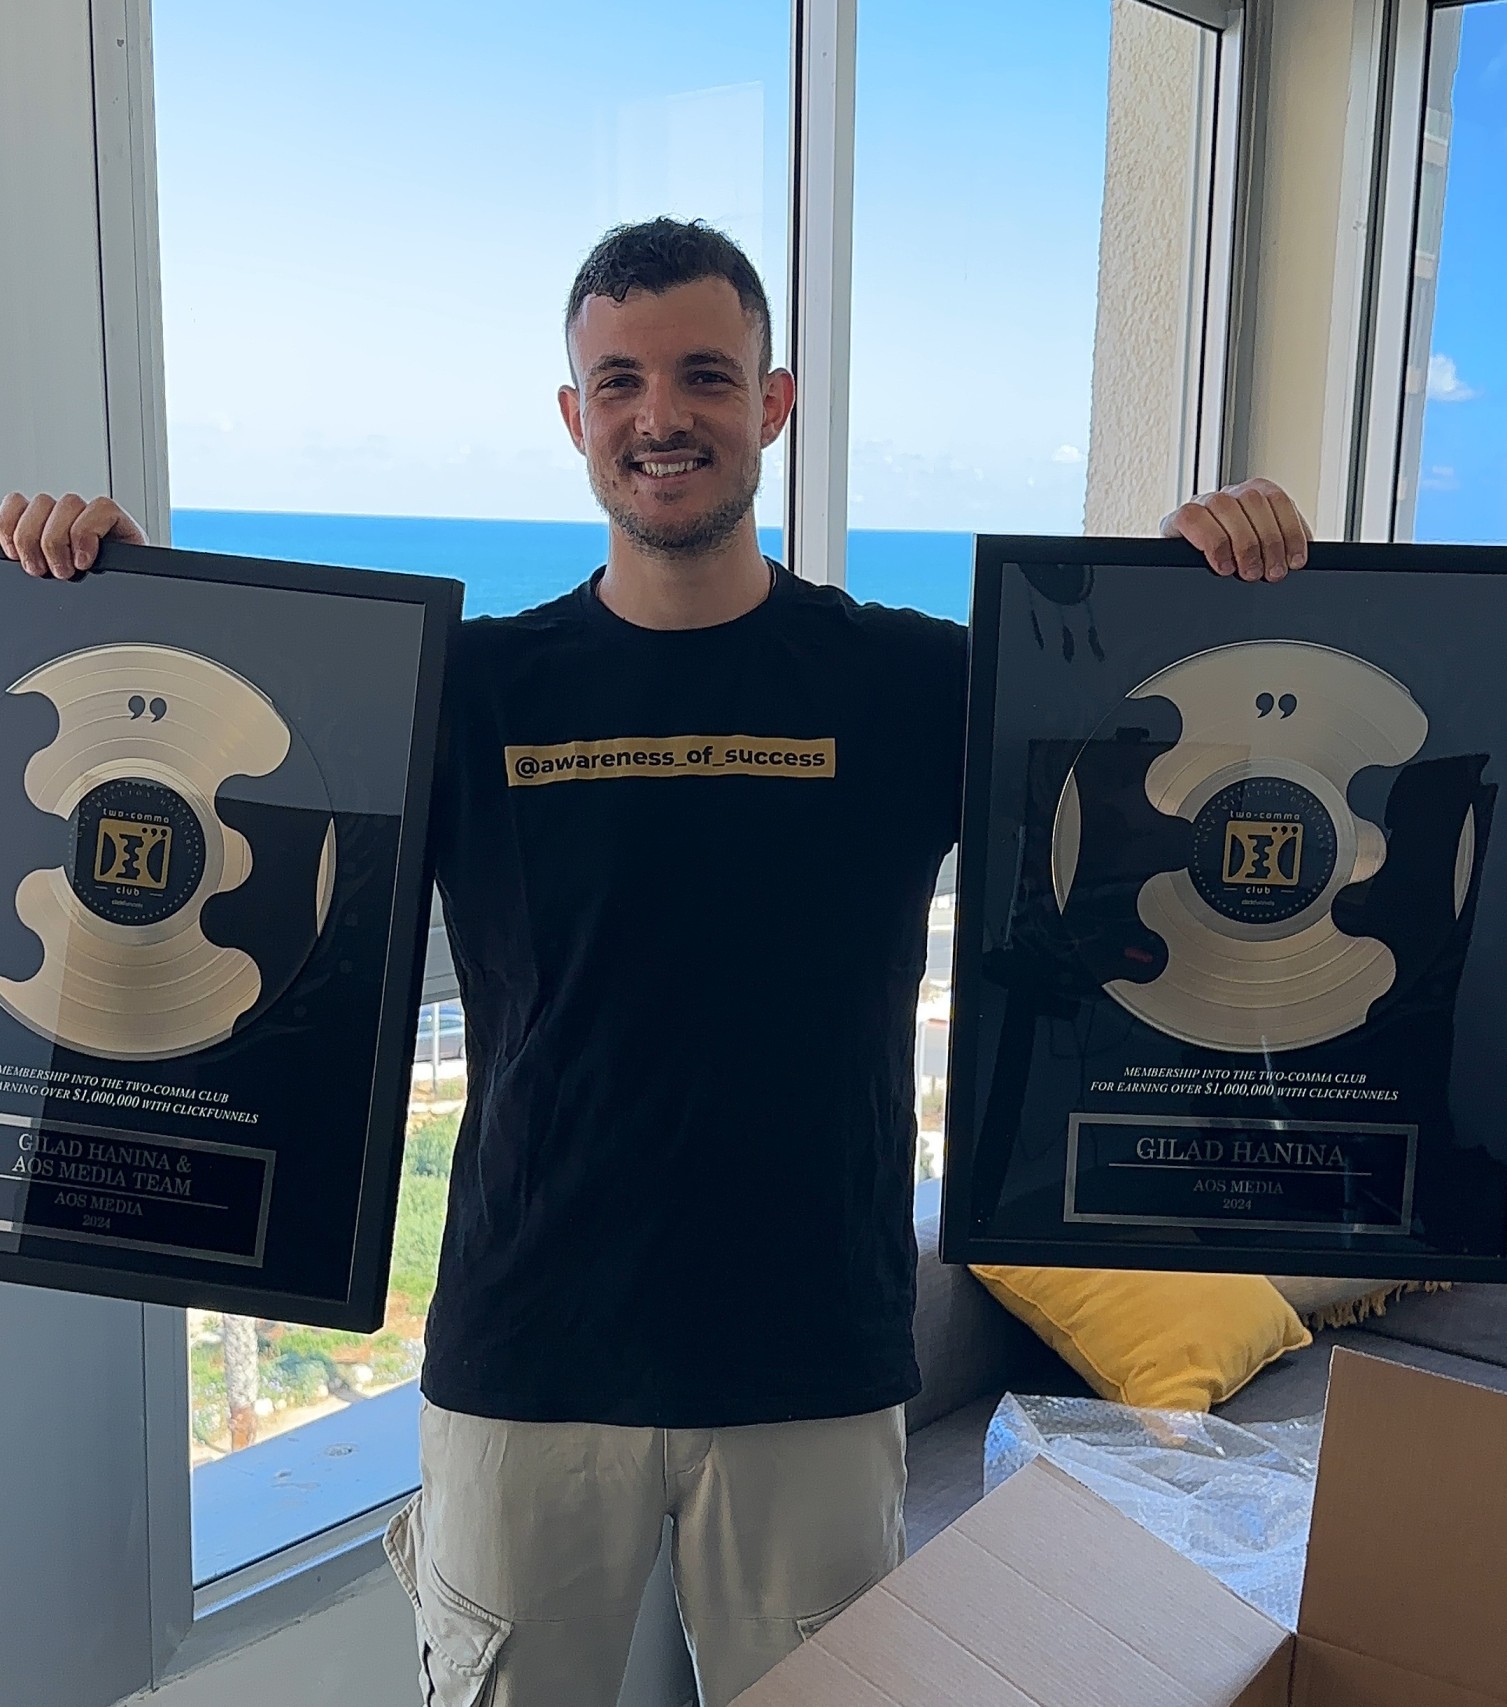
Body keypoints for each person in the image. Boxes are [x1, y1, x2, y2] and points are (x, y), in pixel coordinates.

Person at [1, 217, 1311, 1707]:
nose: (661, 414)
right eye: (618, 381)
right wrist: (91, 598)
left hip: (813, 1360)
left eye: (704, 374)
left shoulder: (910, 682)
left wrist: (1224, 587)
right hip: (524, 1359)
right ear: (574, 418)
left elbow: (1161, 770)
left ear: (774, 403)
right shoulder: (470, 691)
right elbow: (209, 811)